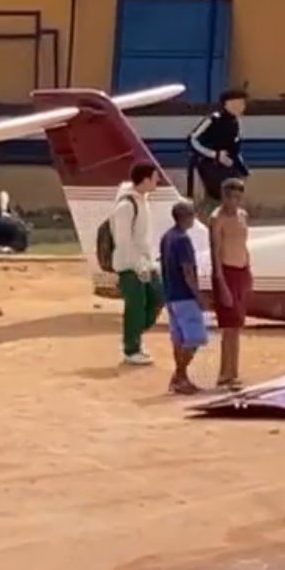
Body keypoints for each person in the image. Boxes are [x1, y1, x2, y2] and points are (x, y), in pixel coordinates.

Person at [109, 161, 162, 366]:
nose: (157, 181)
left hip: (146, 264)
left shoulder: (143, 201)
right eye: (155, 177)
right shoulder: (126, 206)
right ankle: (132, 348)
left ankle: (134, 336)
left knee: (157, 297)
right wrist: (138, 265)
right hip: (130, 267)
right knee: (136, 307)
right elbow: (123, 241)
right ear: (146, 179)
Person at [160, 199, 207, 395]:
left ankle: (181, 378)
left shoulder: (167, 237)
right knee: (195, 338)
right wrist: (199, 295)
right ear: (186, 217)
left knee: (178, 339)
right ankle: (180, 376)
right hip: (184, 296)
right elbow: (187, 271)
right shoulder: (182, 240)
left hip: (171, 295)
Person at [210, 177, 252, 389]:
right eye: (232, 197)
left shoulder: (243, 216)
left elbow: (244, 245)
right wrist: (221, 283)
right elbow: (216, 253)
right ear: (224, 197)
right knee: (228, 326)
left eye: (239, 197)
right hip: (225, 272)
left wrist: (248, 271)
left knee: (237, 326)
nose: (235, 202)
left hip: (241, 271)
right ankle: (224, 374)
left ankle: (233, 372)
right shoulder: (217, 219)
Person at [187, 89, 250, 210]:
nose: (243, 107)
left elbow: (235, 147)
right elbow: (192, 140)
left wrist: (242, 168)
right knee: (215, 198)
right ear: (229, 104)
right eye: (239, 103)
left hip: (229, 167)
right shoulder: (213, 119)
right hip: (210, 165)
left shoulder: (236, 122)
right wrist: (215, 155)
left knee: (232, 197)